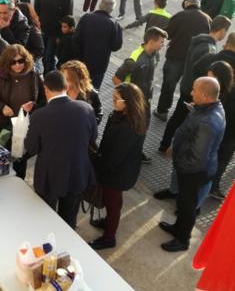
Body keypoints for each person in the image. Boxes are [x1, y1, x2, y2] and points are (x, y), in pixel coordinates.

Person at [159, 77, 225, 252]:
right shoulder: (208, 108)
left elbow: (197, 156)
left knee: (188, 207)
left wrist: (179, 164)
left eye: (194, 90)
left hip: (193, 172)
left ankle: (182, 240)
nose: (191, 92)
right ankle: (178, 228)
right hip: (192, 169)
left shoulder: (208, 122)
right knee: (183, 202)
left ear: (204, 95)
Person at [25, 70, 97, 228]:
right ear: (66, 86)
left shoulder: (39, 116)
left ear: (46, 89)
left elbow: (31, 147)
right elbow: (93, 138)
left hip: (50, 177)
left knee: (45, 218)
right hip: (77, 173)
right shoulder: (86, 108)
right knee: (69, 219)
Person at [156, 16, 232, 155]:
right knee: (184, 121)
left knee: (177, 118)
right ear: (221, 31)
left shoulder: (199, 40)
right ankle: (168, 146)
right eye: (225, 32)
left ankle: (165, 144)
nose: (224, 36)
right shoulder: (208, 48)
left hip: (188, 85)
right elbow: (200, 71)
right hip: (193, 89)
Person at [88, 83, 146, 250]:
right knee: (113, 200)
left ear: (127, 101)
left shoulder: (128, 127)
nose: (113, 101)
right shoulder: (123, 115)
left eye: (116, 99)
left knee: (112, 203)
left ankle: (109, 237)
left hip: (117, 174)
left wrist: (95, 159)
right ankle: (107, 222)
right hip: (119, 170)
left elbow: (114, 158)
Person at [0, 44, 45, 179]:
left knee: (20, 163)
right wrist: (1, 107)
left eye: (21, 61)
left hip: (24, 128)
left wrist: (34, 106)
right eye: (13, 62)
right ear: (6, 62)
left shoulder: (33, 76)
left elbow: (43, 100)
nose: (17, 65)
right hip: (3, 128)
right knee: (1, 162)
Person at [154, 0, 212, 121]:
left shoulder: (180, 15)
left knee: (169, 85)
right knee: (188, 89)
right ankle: (181, 115)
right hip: (195, 61)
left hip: (176, 57)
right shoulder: (207, 19)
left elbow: (167, 34)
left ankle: (162, 111)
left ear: (187, 3)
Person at [113, 27, 168, 163]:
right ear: (151, 41)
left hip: (146, 99)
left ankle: (137, 151)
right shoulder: (134, 60)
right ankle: (125, 153)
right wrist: (125, 99)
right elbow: (116, 78)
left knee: (143, 126)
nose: (163, 45)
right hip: (133, 102)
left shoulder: (155, 55)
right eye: (161, 42)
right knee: (132, 128)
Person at [74, 0, 122, 89]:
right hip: (100, 64)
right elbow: (116, 46)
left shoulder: (86, 17)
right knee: (93, 89)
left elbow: (76, 38)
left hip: (82, 59)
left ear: (99, 5)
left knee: (78, 86)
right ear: (111, 9)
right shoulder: (114, 24)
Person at [34, 0, 73, 73]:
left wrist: (61, 36)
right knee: (42, 57)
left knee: (49, 58)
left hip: (55, 33)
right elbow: (36, 9)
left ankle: (49, 79)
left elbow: (68, 17)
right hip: (43, 30)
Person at [208, 61, 235, 200]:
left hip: (225, 131)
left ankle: (211, 185)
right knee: (220, 160)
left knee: (218, 159)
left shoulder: (227, 87)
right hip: (226, 132)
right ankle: (212, 186)